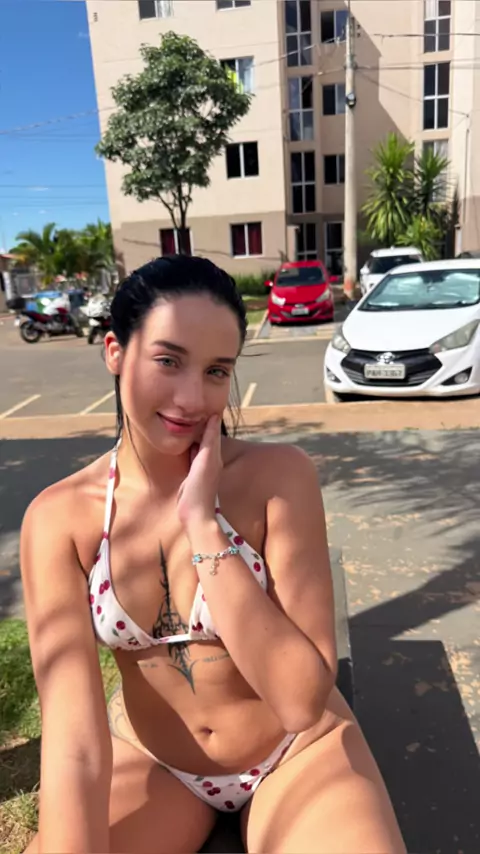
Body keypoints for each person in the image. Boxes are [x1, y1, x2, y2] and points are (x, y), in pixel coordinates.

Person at [21, 256, 406, 854]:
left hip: (297, 752)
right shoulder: (60, 518)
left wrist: (202, 525)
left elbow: (300, 700)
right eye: (168, 361)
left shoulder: (279, 479)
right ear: (115, 352)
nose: (191, 398)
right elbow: (73, 741)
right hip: (153, 763)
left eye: (216, 371)